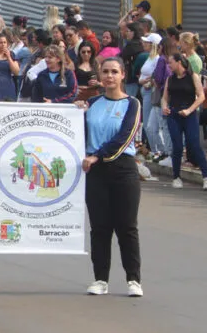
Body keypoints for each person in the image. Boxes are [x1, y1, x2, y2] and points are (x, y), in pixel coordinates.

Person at [77, 57, 143, 298]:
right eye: (105, 72)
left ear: (123, 75)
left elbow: (125, 137)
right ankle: (100, 279)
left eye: (114, 71)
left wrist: (98, 156)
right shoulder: (91, 103)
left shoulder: (132, 104)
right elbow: (73, 130)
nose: (109, 76)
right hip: (96, 173)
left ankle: (133, 279)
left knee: (127, 227)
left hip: (123, 168)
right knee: (100, 228)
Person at [161, 53, 207, 189]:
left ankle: (206, 176)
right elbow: (165, 97)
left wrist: (189, 110)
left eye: (171, 62)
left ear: (179, 62)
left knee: (194, 144)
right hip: (173, 114)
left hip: (189, 114)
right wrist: (164, 107)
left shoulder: (193, 77)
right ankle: (176, 177)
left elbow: (201, 96)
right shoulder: (170, 79)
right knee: (177, 146)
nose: (169, 65)